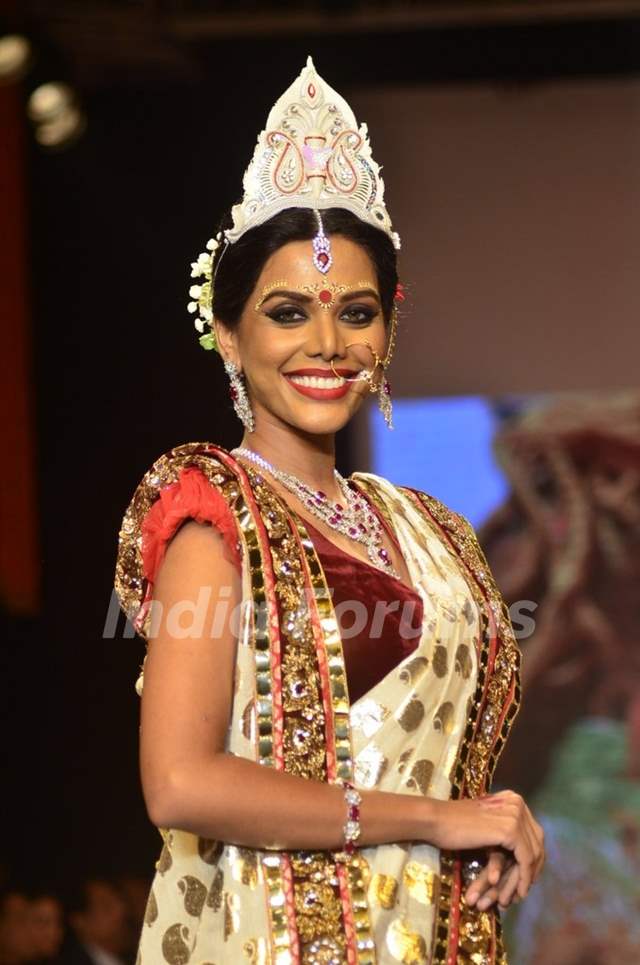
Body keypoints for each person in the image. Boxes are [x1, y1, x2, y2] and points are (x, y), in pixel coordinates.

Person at [114, 56, 544, 964]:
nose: (326, 344)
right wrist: (437, 817)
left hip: (432, 937)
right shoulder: (214, 510)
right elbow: (180, 783)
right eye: (286, 313)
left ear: (388, 328)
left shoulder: (432, 527)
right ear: (228, 332)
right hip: (277, 939)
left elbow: (436, 753)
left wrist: (497, 817)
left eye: (355, 313)